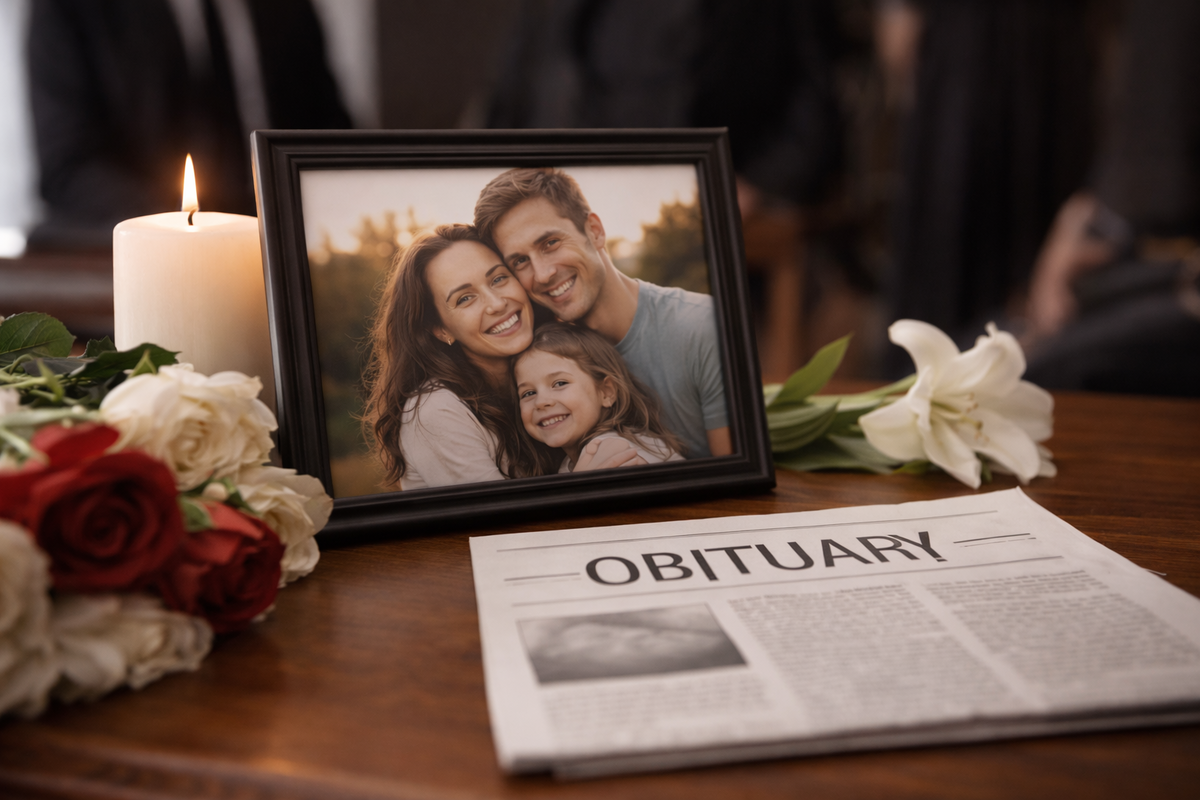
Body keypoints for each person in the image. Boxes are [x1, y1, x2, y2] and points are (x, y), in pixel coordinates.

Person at [474, 167, 732, 458]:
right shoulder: (540, 355)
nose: (543, 274)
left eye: (550, 243)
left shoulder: (704, 326)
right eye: (520, 261)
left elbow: (742, 486)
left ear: (594, 231)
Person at [361, 224, 641, 490]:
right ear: (440, 328)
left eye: (498, 279)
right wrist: (581, 489)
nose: (496, 304)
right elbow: (498, 528)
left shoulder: (549, 367)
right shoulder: (436, 411)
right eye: (465, 298)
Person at [513, 323, 685, 475]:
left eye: (559, 383)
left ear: (606, 392)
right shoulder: (573, 462)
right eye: (528, 393)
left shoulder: (610, 451)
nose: (541, 402)